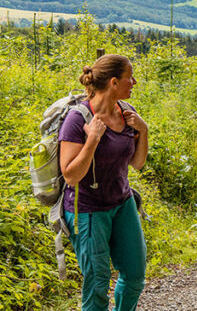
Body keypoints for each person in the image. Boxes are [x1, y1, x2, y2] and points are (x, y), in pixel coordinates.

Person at [59, 54, 149, 311]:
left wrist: (144, 131)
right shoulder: (78, 120)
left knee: (134, 277)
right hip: (87, 209)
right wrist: (93, 140)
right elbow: (70, 175)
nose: (133, 82)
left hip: (122, 203)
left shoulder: (127, 114)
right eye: (129, 77)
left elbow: (138, 163)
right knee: (98, 285)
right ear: (113, 82)